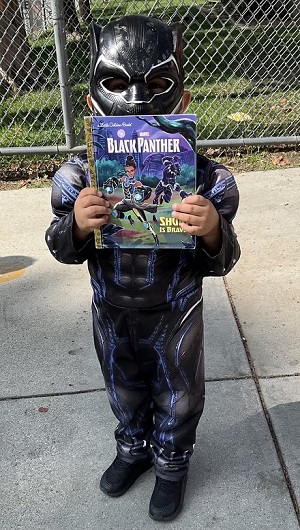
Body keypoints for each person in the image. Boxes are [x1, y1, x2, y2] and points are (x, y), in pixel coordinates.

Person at [45, 14, 241, 522]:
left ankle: (172, 465)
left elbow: (225, 258)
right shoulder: (78, 177)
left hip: (175, 311)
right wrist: (79, 225)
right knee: (123, 387)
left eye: (157, 84)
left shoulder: (206, 180)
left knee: (178, 397)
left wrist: (212, 227)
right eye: (115, 82)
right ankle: (132, 448)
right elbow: (60, 247)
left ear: (182, 99)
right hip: (112, 310)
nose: (135, 100)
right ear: (91, 99)